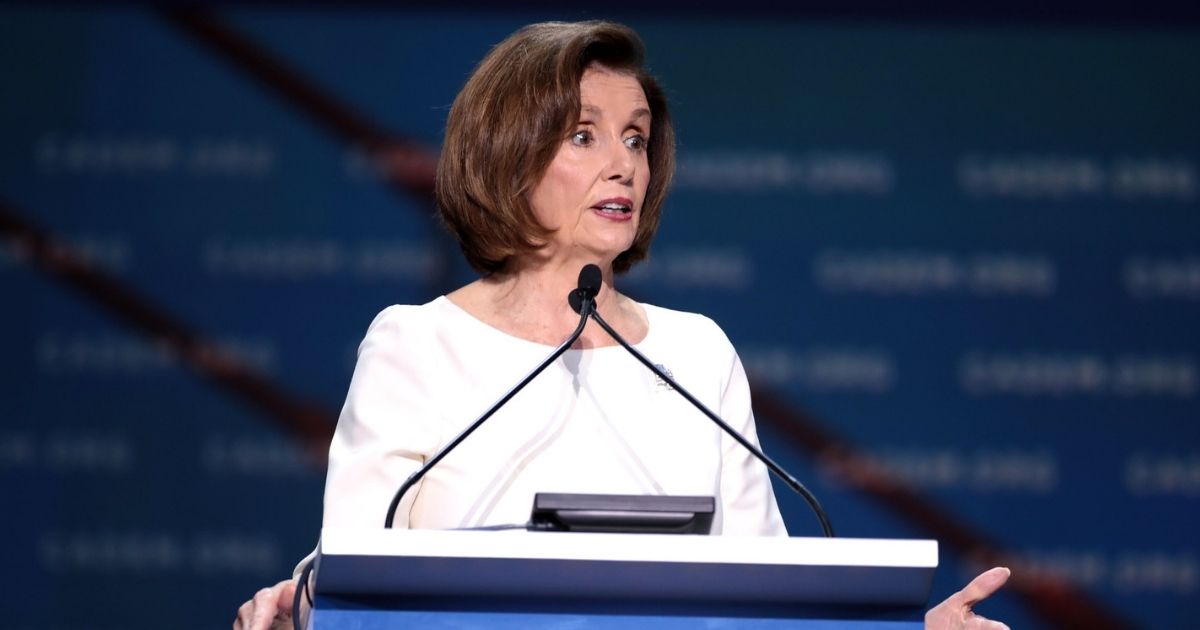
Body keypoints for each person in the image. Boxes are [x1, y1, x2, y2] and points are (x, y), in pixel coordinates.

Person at [233, 20, 1011, 630]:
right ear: (508, 154)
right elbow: (356, 571)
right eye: (585, 135)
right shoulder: (417, 344)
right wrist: (301, 604)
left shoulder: (695, 353)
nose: (624, 164)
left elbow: (775, 603)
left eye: (636, 137)